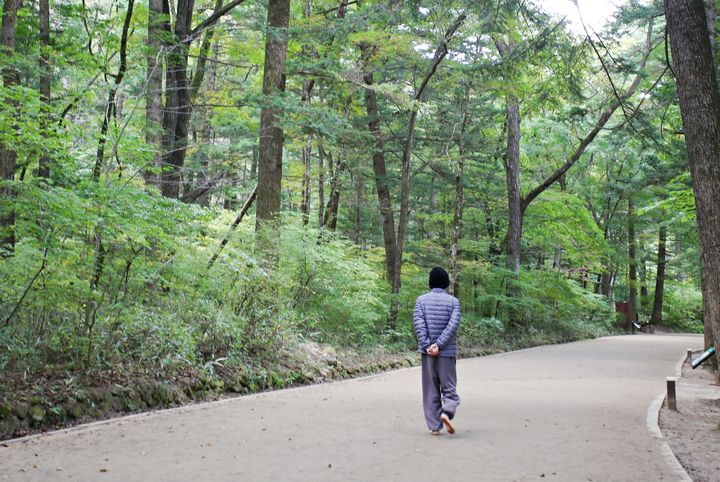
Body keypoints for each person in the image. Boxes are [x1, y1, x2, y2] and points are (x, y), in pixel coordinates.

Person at [413, 267, 461, 435]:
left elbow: (419, 325)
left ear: (431, 282)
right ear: (446, 282)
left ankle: (434, 427)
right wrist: (439, 345)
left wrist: (428, 345)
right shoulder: (454, 302)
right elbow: (453, 326)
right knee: (449, 388)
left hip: (427, 354)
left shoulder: (420, 301)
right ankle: (446, 412)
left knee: (430, 389)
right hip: (446, 353)